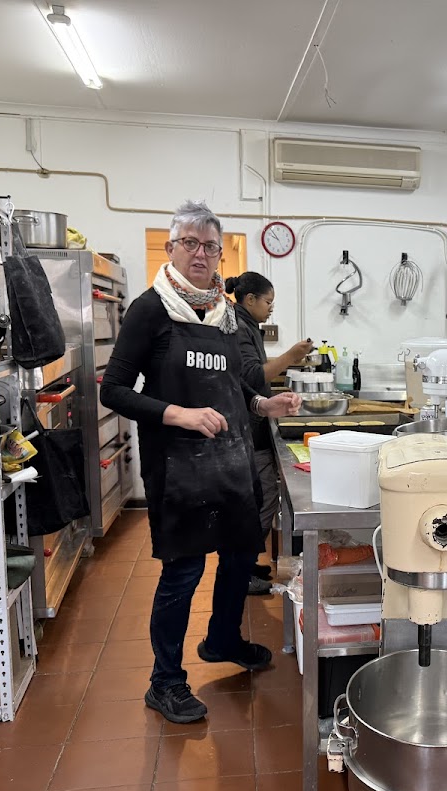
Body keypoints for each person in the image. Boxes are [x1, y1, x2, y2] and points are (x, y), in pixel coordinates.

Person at [100, 201, 301, 725]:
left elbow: (232, 384)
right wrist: (179, 414)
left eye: (210, 246)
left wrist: (263, 405)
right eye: (190, 243)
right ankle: (164, 681)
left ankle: (223, 639)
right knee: (184, 572)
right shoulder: (150, 309)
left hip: (231, 461)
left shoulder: (226, 314)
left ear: (219, 256)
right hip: (178, 469)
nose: (200, 253)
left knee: (239, 556)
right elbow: (114, 390)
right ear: (171, 248)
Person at [226, 271, 313, 595]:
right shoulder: (239, 327)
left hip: (252, 421)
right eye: (268, 301)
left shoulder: (246, 324)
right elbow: (252, 375)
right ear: (250, 299)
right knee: (260, 500)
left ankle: (245, 564)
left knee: (257, 500)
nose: (271, 308)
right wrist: (291, 356)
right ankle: (240, 571)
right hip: (247, 428)